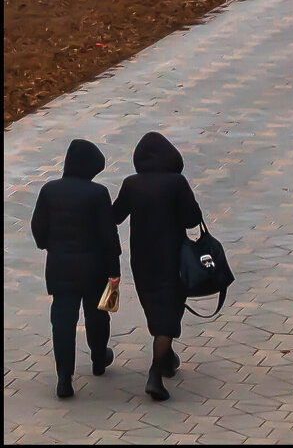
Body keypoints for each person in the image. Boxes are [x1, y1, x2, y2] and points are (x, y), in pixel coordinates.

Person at [112, 132, 202, 401]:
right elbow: (191, 220)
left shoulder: (131, 184)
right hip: (172, 258)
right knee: (169, 310)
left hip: (141, 259)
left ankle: (166, 359)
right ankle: (155, 372)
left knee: (155, 307)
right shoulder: (177, 182)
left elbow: (114, 216)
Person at [31, 139, 122, 399]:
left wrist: (50, 245)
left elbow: (38, 228)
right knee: (98, 315)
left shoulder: (49, 191)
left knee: (62, 321)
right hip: (94, 269)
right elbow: (109, 235)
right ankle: (98, 357)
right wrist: (114, 270)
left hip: (60, 268)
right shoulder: (98, 193)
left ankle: (64, 378)